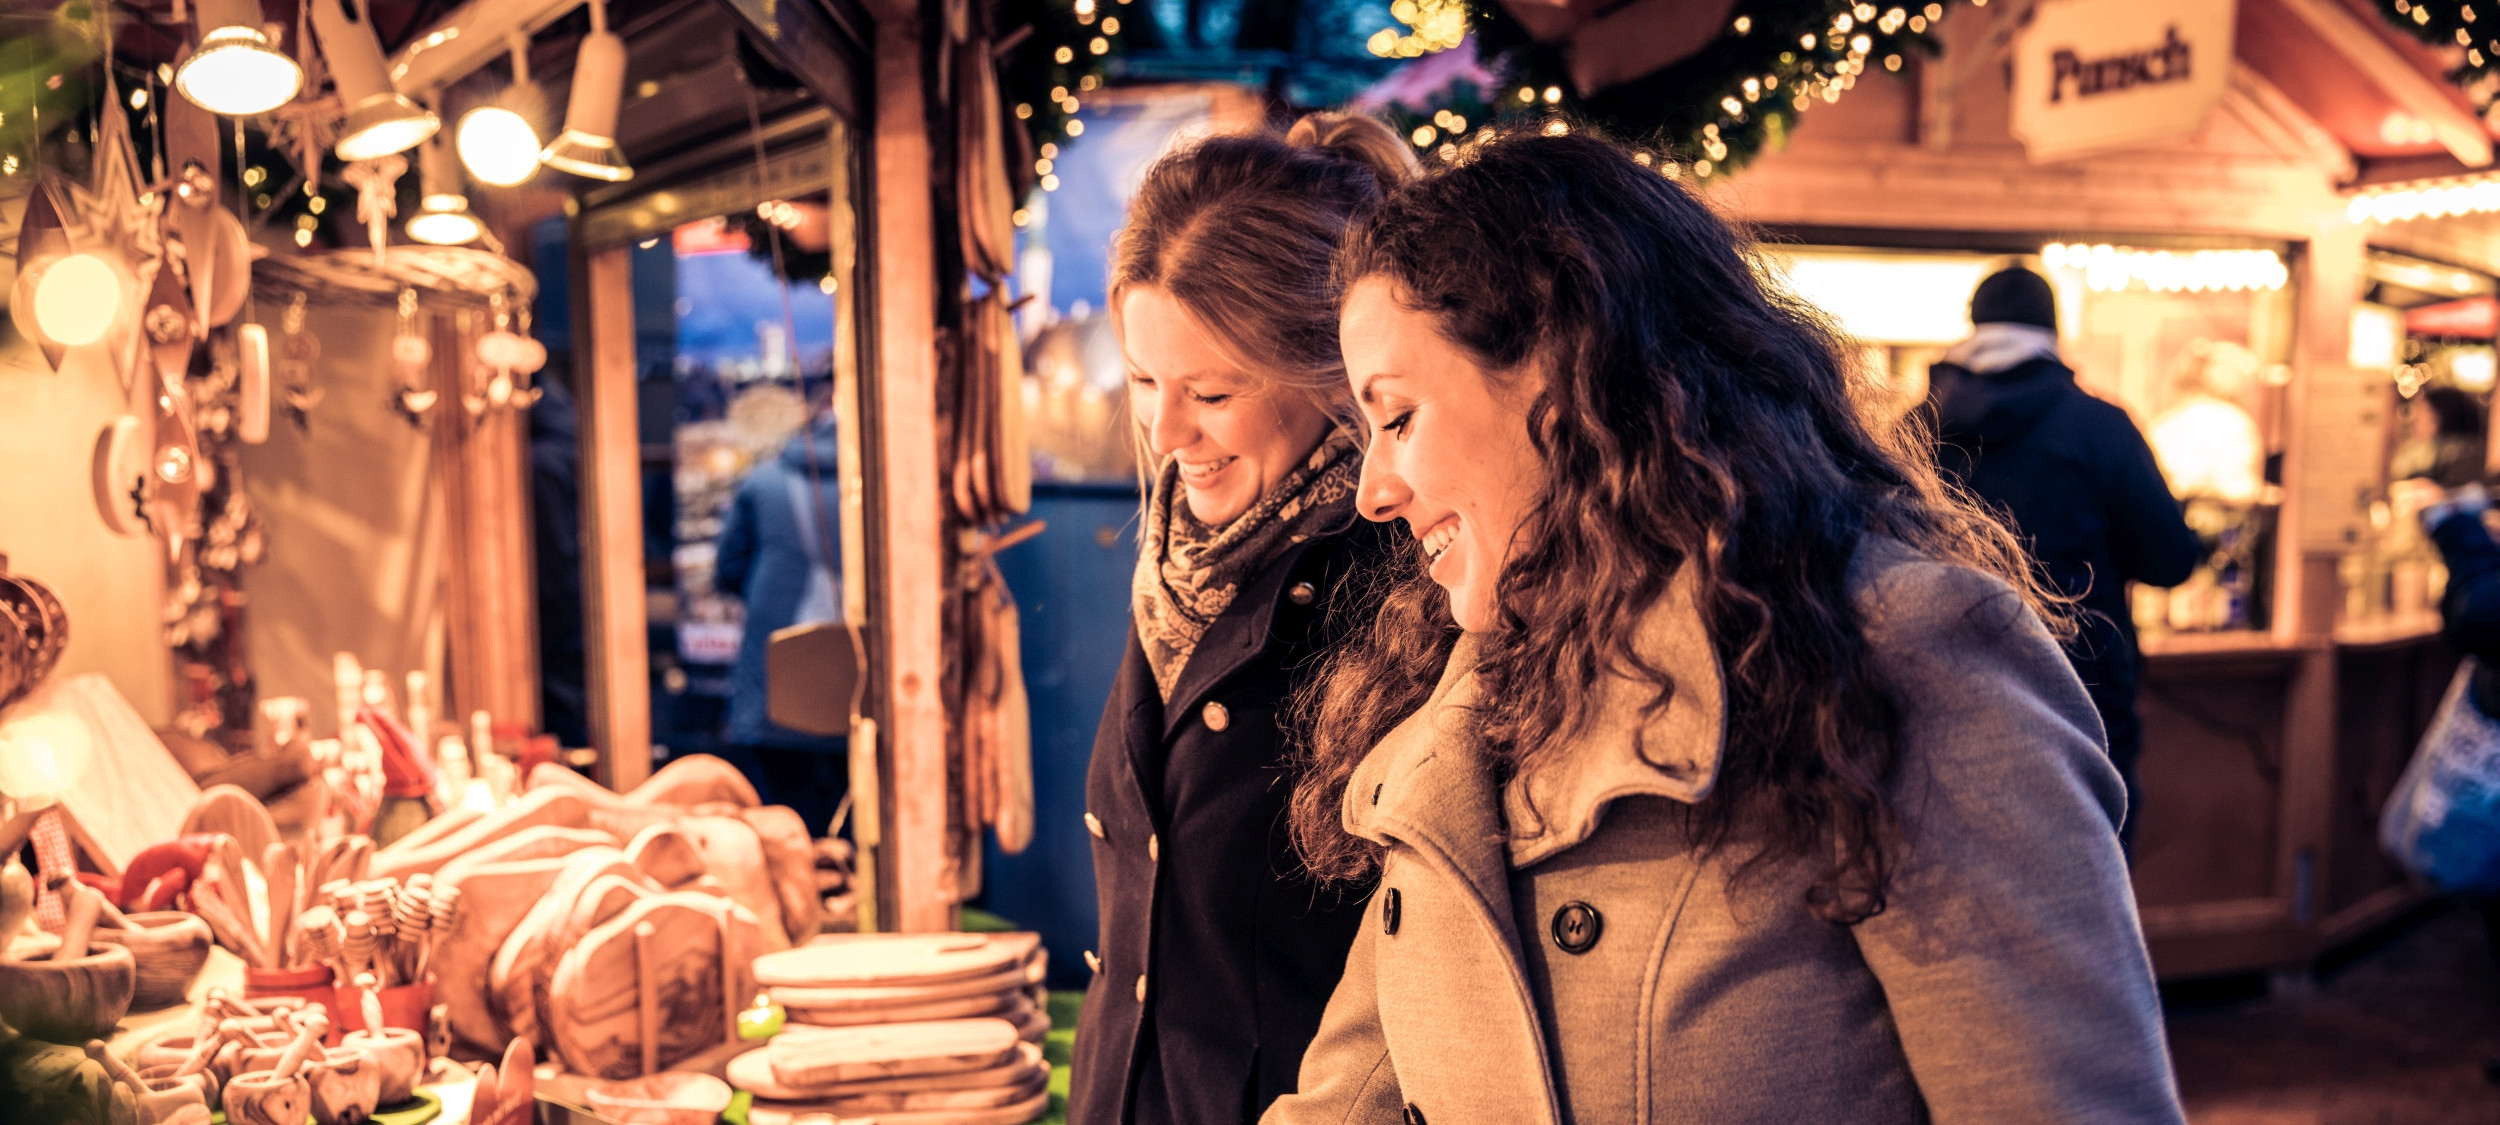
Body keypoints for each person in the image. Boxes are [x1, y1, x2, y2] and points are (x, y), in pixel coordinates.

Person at [1268, 132, 2183, 1125]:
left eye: (1396, 418)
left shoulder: (1903, 655)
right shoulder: (1457, 712)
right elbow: (1346, 1095)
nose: (1372, 491)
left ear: (1560, 380)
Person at [1068, 112, 1416, 1125]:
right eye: (1142, 382)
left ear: (1331, 373)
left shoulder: (1405, 592)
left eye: (1210, 392)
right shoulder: (1180, 568)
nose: (1168, 432)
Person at [1927, 266, 2201, 853]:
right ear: (2053, 332)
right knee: (2090, 886)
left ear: (1974, 325)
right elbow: (2171, 560)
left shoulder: (1919, 429)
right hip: (2083, 699)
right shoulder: (2100, 428)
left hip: (1944, 695)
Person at [713, 411, 847, 831]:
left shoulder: (763, 482)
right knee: (859, 810)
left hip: (780, 673)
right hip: (858, 671)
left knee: (788, 810)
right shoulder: (887, 486)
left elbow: (728, 569)